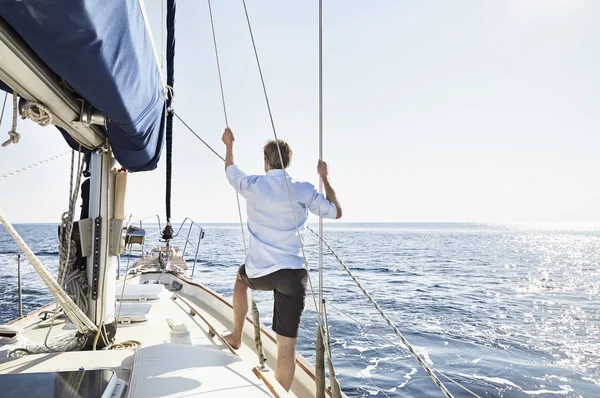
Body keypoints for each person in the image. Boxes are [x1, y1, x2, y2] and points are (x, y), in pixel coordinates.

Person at [221, 127, 342, 391]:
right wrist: (325, 178)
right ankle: (280, 394)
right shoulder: (302, 189)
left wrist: (229, 144)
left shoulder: (252, 185)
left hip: (259, 272)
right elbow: (335, 212)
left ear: (266, 162)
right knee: (287, 348)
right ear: (288, 162)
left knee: (241, 280)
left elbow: (230, 169)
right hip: (292, 275)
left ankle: (237, 337)